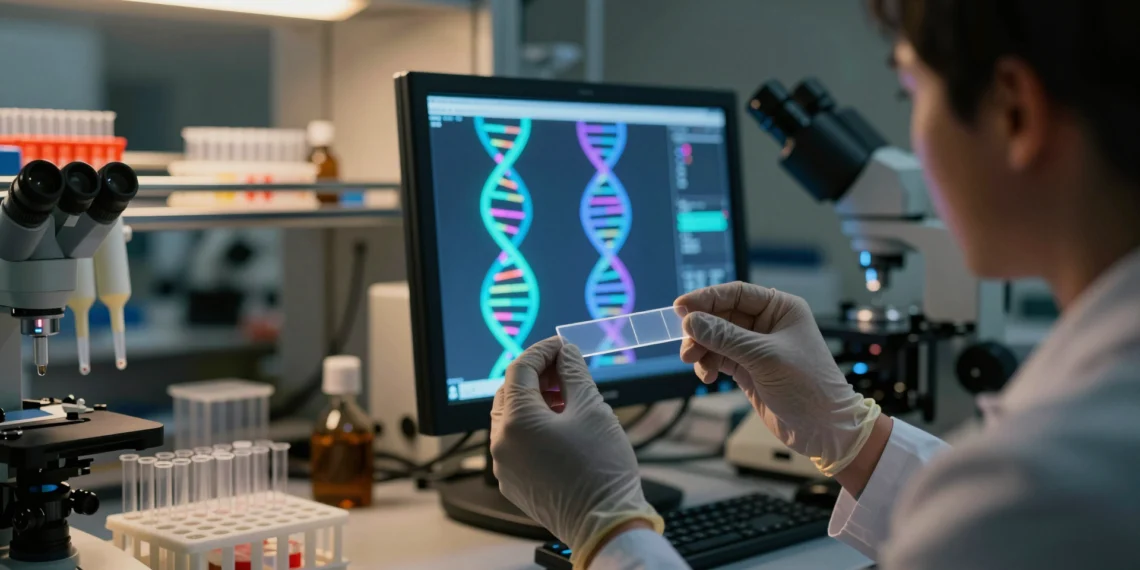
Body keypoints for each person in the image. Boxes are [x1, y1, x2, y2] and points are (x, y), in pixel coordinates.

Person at [490, 0, 1140, 567]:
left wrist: (607, 528)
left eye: (910, 93)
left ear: (1013, 111)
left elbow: (993, 520)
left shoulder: (1051, 476)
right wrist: (854, 435)